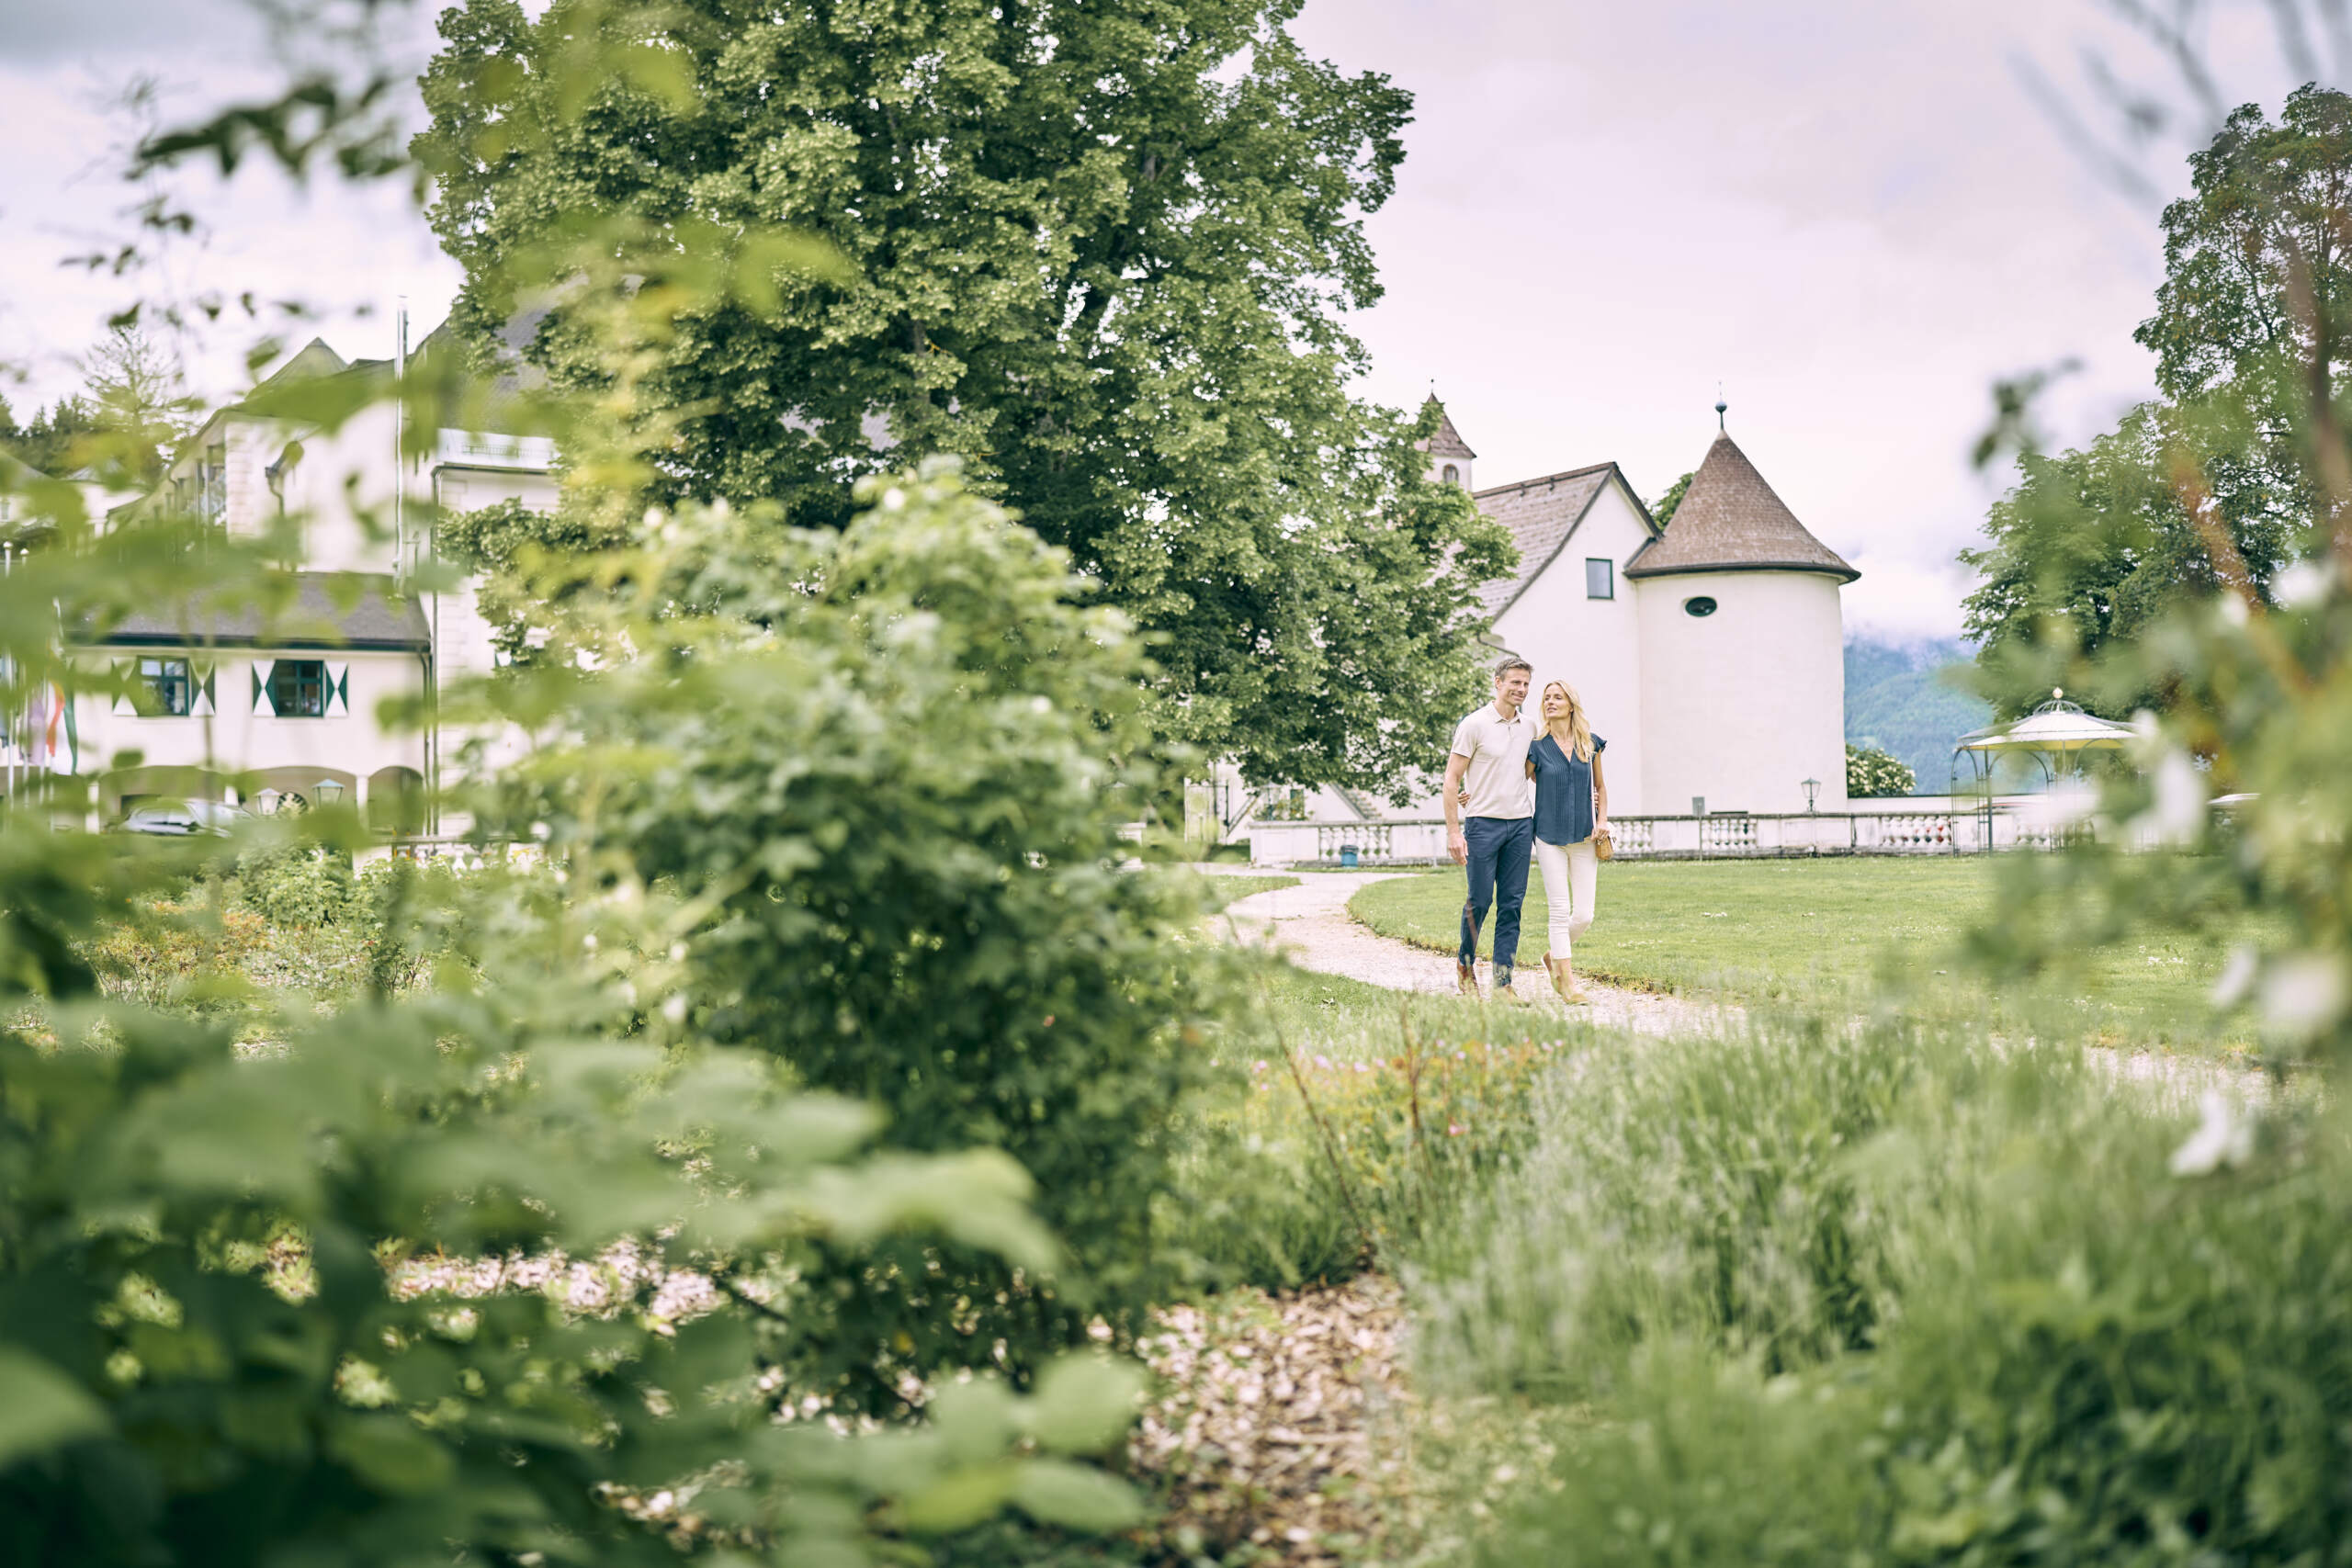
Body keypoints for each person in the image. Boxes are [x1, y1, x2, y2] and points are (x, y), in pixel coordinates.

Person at [1443, 657, 1536, 1000]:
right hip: (1483, 826)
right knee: (1479, 900)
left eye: (1525, 684)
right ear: (1497, 682)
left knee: (1512, 904)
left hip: (1520, 825)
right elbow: (1452, 779)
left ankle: (1503, 982)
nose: (1521, 690)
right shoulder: (1474, 724)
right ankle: (1465, 966)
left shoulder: (1530, 726)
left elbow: (1531, 771)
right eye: (1515, 682)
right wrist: (1455, 832)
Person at [1525, 679, 1608, 1003]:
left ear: (1571, 704)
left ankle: (1553, 957)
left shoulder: (1591, 743)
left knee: (1584, 915)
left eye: (1557, 697)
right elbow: (1514, 781)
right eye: (1546, 698)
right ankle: (1567, 983)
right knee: (1559, 912)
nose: (1550, 702)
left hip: (1585, 837)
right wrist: (1473, 794)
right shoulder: (1537, 746)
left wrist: (1602, 821)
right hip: (1548, 837)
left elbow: (1600, 788)